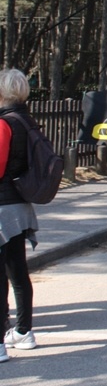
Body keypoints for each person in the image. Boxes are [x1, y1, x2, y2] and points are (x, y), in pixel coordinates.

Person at [0, 69, 40, 359]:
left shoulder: (4, 123)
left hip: (2, 207)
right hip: (20, 204)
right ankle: (24, 331)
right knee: (18, 272)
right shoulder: (28, 121)